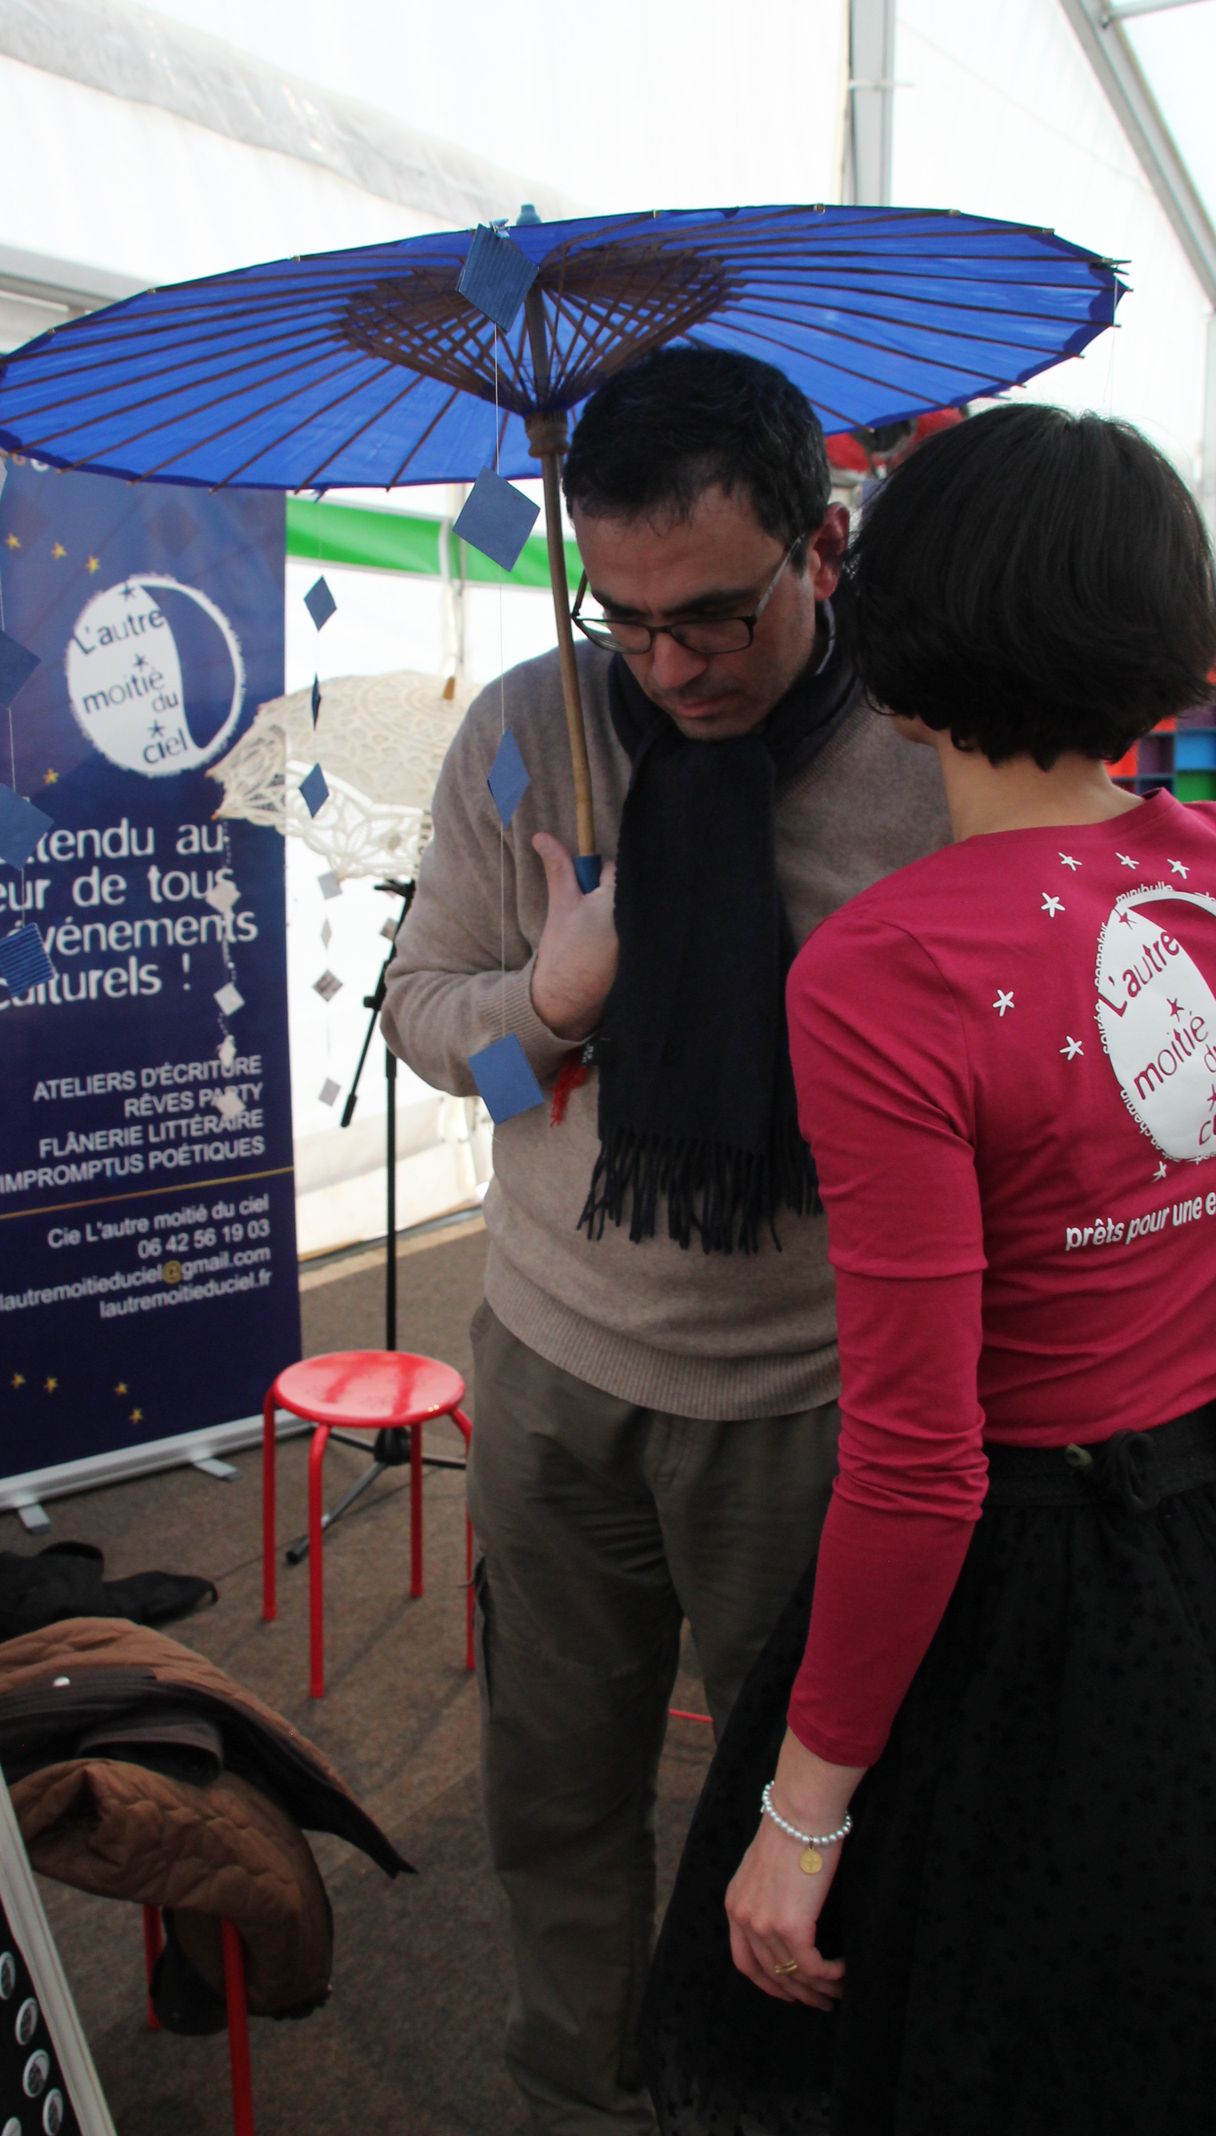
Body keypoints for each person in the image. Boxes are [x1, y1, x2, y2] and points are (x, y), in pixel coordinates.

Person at [381, 347, 948, 2133]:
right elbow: (433, 1036)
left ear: (821, 545)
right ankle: (581, 2086)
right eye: (623, 621)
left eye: (713, 615)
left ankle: (768, 2101)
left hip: (811, 1405)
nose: (670, 667)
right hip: (553, 1371)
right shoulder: (523, 738)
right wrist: (548, 1004)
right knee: (554, 1785)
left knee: (808, 1816)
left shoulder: (927, 764)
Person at [640, 402, 1216, 2136]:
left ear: (894, 643)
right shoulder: (1204, 875)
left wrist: (801, 1815)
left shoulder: (887, 969)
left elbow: (916, 1455)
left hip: (1024, 1599)